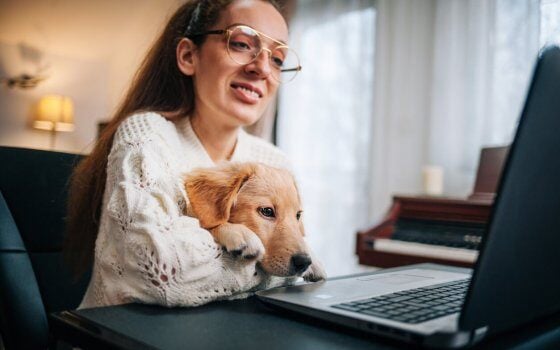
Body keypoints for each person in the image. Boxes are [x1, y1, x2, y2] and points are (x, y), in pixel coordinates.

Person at [64, 0, 309, 308]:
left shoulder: (274, 162)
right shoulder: (147, 135)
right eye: (243, 43)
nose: (261, 68)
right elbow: (161, 272)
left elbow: (295, 255)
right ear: (188, 56)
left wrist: (281, 261)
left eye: (277, 59)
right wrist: (275, 267)